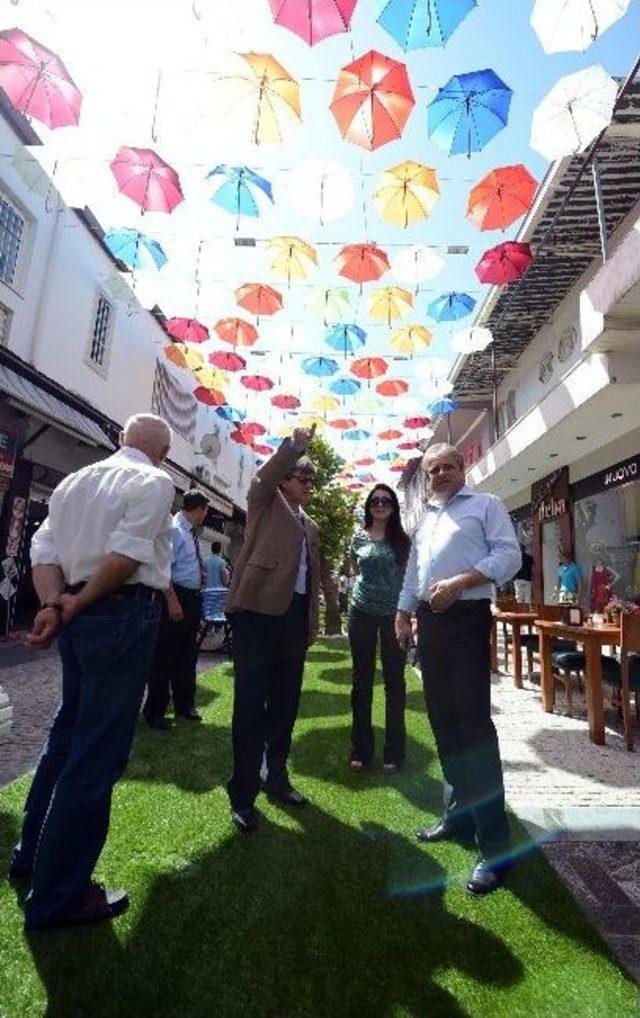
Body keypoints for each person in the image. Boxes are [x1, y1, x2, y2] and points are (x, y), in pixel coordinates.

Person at [9, 414, 174, 930]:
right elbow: (127, 556)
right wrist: (70, 606)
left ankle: (32, 857)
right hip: (121, 613)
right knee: (94, 754)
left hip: (82, 613)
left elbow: (44, 550)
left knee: (65, 741)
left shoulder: (74, 482)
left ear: (121, 440)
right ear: (162, 452)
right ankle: (59, 894)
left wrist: (54, 605)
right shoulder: (153, 480)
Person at [395, 443, 521, 897]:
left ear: (462, 469)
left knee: (473, 728)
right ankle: (460, 815)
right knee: (443, 723)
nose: (441, 474)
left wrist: (461, 580)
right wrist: (403, 610)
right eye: (433, 470)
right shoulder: (425, 517)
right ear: (426, 478)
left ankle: (495, 846)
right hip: (430, 623)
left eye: (448, 466)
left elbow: (510, 558)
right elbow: (414, 570)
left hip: (467, 618)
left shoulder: (486, 505)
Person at [225, 427, 321, 833]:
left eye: (312, 481)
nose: (309, 486)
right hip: (257, 616)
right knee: (250, 706)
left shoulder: (311, 526)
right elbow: (262, 477)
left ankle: (276, 778)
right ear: (285, 479)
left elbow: (314, 577)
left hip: (294, 621)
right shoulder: (264, 500)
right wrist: (295, 447)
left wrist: (314, 621)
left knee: (285, 704)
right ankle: (243, 794)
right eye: (303, 478)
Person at [348, 484, 410, 774]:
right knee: (361, 682)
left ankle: (394, 752)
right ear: (368, 506)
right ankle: (361, 749)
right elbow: (356, 569)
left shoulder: (402, 541)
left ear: (394, 506)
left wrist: (408, 615)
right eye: (375, 501)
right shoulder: (358, 537)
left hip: (393, 616)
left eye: (386, 500)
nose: (381, 504)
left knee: (394, 683)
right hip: (361, 612)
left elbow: (410, 579)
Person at [144, 490, 209, 730]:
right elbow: (163, 568)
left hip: (191, 598)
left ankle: (185, 705)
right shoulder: (175, 530)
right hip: (176, 596)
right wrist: (171, 600)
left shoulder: (190, 532)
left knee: (187, 654)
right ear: (201, 509)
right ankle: (155, 711)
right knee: (165, 656)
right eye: (205, 511)